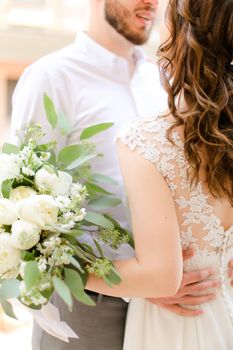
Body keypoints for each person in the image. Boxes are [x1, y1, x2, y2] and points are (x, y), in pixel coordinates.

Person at [10, 0, 233, 349]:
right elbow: (18, 205)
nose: (152, 2)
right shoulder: (50, 77)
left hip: (184, 311)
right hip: (87, 309)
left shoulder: (170, 82)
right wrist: (148, 281)